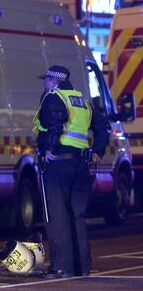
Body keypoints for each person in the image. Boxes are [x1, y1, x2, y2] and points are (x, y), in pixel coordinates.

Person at [33, 65, 109, 278]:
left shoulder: (54, 97)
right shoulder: (83, 102)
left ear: (55, 81)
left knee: (57, 216)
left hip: (58, 164)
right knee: (77, 216)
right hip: (80, 165)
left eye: (46, 79)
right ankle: (82, 267)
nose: (44, 83)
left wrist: (50, 148)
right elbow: (102, 127)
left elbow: (56, 121)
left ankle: (62, 267)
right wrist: (98, 151)